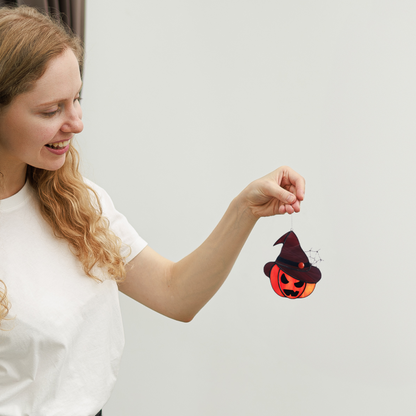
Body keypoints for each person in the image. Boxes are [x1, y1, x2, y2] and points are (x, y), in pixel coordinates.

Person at [0, 5, 305, 416]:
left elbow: (175, 294)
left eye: (77, 99)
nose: (76, 122)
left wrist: (244, 210)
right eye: (51, 110)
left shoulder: (76, 201)